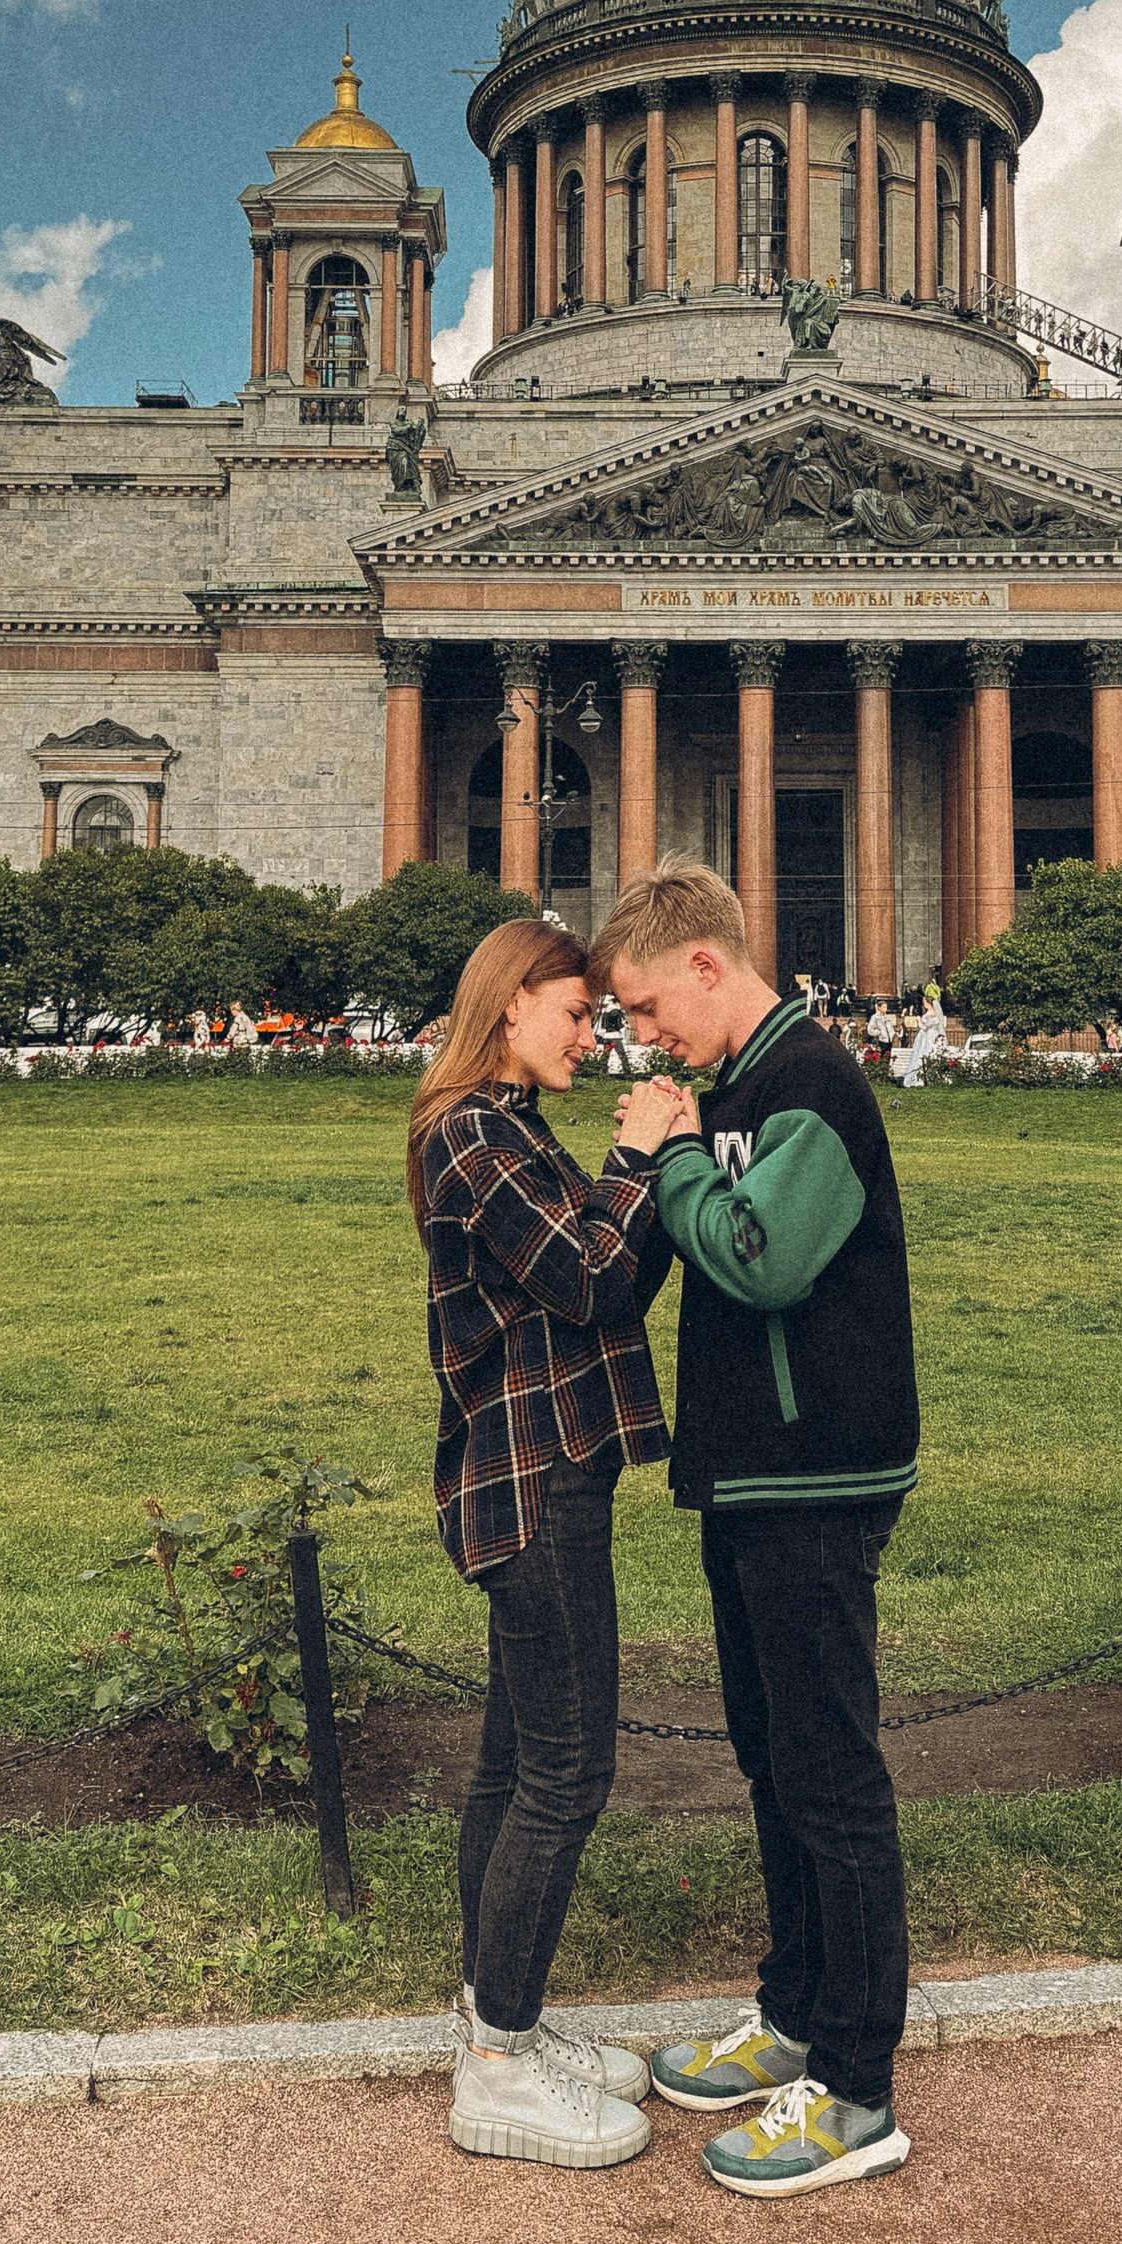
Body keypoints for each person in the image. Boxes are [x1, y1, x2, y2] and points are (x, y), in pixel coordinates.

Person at [590, 858, 918, 2200]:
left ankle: (856, 2085)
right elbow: (666, 1248)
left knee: (830, 1771)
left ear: (710, 966)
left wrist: (670, 1156)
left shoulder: (814, 1087)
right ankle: (792, 2012)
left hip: (818, 1471)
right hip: (746, 1472)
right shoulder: (728, 1096)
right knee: (771, 1755)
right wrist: (644, 1160)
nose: (646, 1037)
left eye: (653, 1008)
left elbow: (765, 1257)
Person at [408, 914, 696, 2172]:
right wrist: (640, 1157)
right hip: (531, 1481)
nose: (595, 1031)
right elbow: (594, 1280)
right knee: (566, 1772)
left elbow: (611, 1263)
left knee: (511, 1759)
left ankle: (493, 2014)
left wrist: (641, 1182)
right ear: (510, 1004)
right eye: (576, 1011)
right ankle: (500, 2064)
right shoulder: (474, 1131)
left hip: (536, 1465)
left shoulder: (508, 1127)